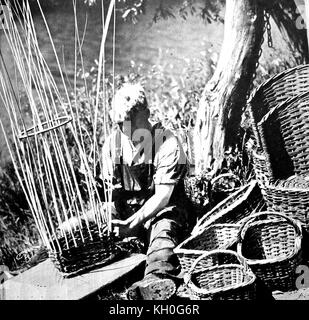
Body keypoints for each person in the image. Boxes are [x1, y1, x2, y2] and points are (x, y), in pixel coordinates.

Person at [61, 83, 193, 300]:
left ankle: (154, 282)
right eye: (121, 124)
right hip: (126, 212)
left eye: (132, 124)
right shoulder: (113, 144)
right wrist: (109, 215)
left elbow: (163, 197)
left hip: (162, 212)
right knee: (73, 229)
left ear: (147, 115)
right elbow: (110, 195)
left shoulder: (168, 142)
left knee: (162, 239)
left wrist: (132, 224)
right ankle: (38, 265)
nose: (127, 131)